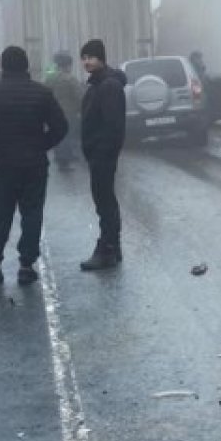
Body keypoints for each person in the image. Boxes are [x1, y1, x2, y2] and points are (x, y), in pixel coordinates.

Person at [0, 46, 68, 285]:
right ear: (26, 66)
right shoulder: (42, 93)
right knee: (32, 213)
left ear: (3, 66)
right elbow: (61, 127)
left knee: (0, 215)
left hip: (4, 162)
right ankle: (26, 264)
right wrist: (42, 145)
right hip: (34, 163)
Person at [78, 39, 128, 270]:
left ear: (101, 58)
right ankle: (113, 247)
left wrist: (101, 152)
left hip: (102, 155)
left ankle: (107, 249)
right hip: (98, 153)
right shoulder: (99, 84)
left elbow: (113, 125)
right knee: (105, 200)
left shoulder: (108, 86)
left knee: (104, 201)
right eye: (84, 57)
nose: (86, 62)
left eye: (91, 57)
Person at [46, 52, 83, 170]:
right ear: (67, 65)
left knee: (58, 135)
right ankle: (64, 161)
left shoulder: (50, 78)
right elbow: (79, 96)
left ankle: (60, 156)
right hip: (68, 112)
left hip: (53, 112)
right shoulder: (70, 78)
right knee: (67, 136)